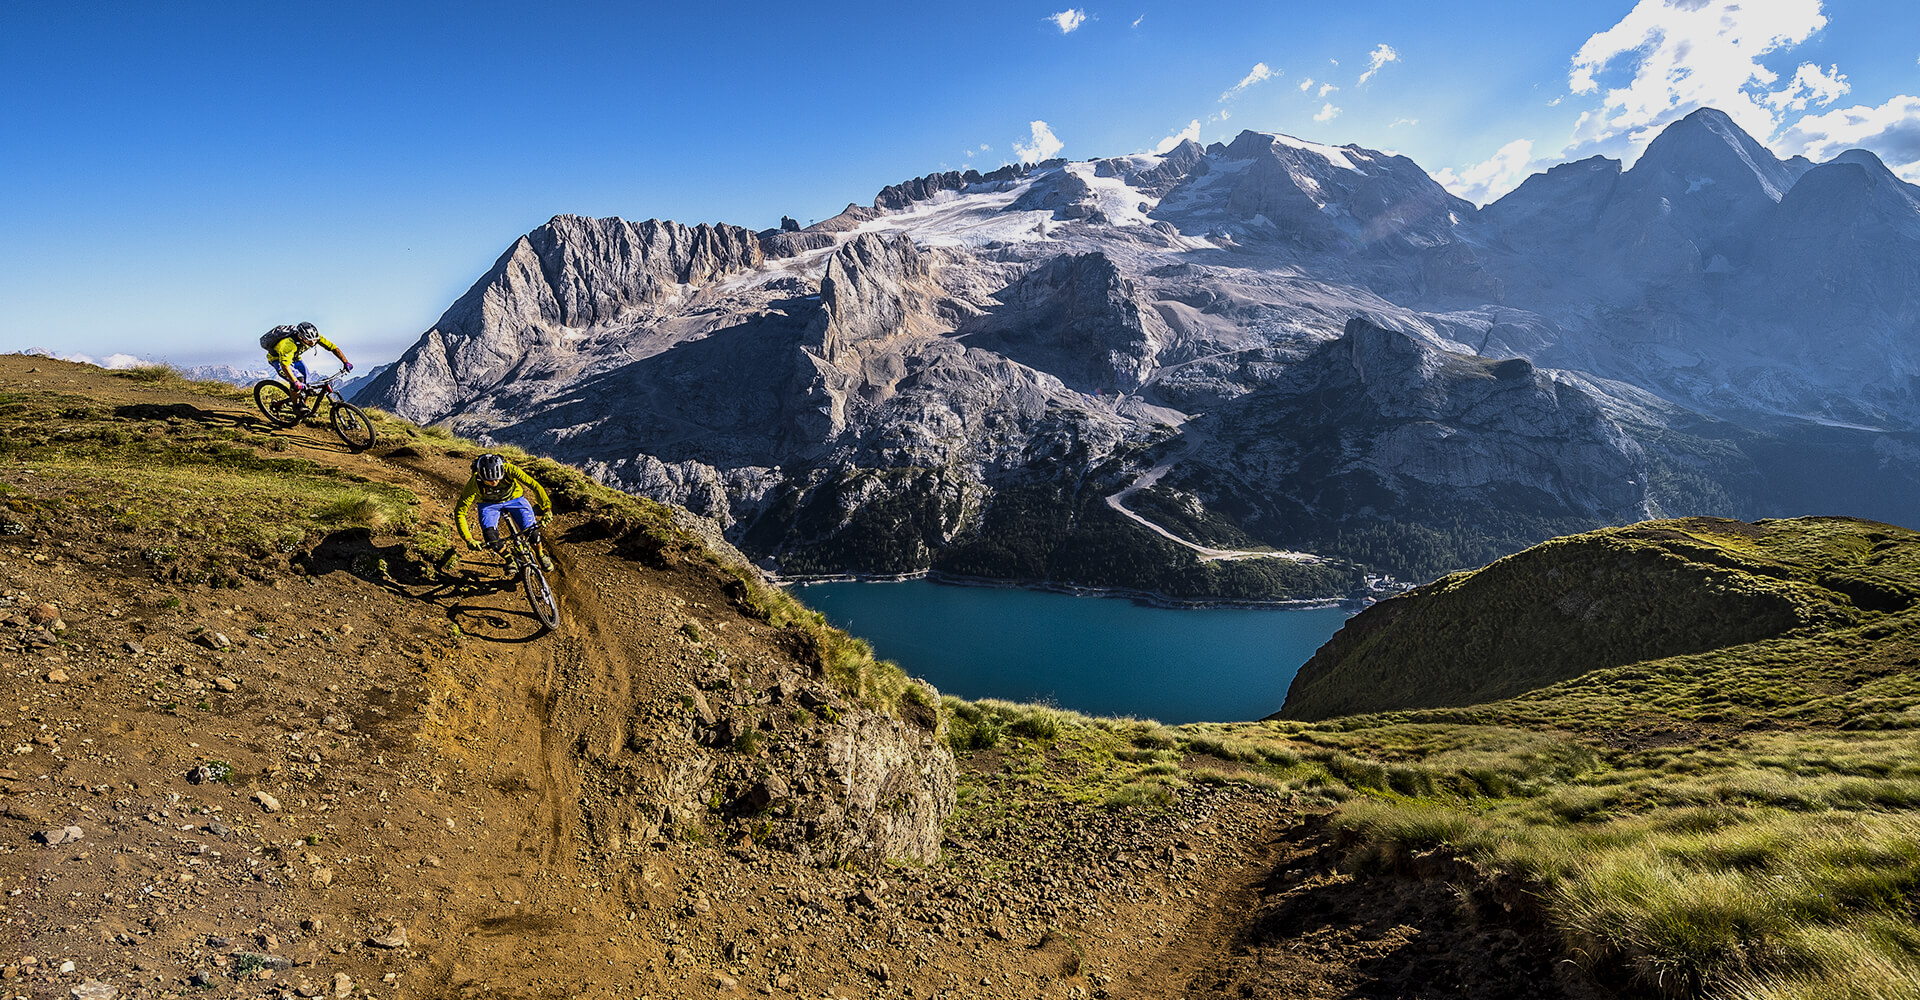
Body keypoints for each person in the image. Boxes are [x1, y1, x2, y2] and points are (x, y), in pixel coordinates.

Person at [456, 453, 555, 573]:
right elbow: (460, 512)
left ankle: (540, 555)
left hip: (515, 499)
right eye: (489, 480)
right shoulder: (474, 482)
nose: (494, 482)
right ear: (481, 476)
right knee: (490, 537)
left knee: (533, 532)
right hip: (488, 504)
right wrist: (468, 539)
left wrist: (547, 509)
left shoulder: (509, 469)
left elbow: (535, 486)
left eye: (497, 478)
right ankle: (509, 560)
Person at [261, 322, 352, 414]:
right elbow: (285, 365)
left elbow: (333, 348)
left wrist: (345, 362)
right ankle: (296, 406)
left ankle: (304, 408)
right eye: (309, 341)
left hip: (295, 358)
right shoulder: (288, 345)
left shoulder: (314, 338)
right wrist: (295, 382)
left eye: (314, 340)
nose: (312, 343)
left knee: (308, 385)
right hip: (279, 360)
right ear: (301, 337)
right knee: (297, 381)